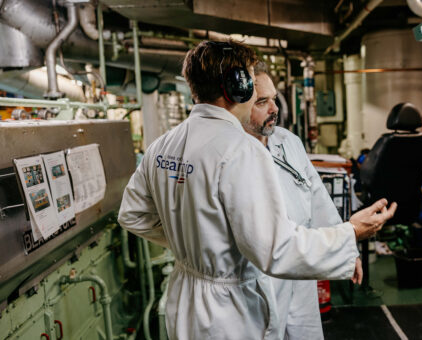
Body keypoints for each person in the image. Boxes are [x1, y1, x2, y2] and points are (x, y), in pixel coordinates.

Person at [118, 40, 397, 340]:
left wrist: (196, 243)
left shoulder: (163, 145)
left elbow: (132, 214)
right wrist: (351, 232)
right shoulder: (239, 149)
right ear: (236, 87)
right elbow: (276, 251)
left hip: (186, 299)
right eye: (250, 82)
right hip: (230, 311)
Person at [243, 61, 357, 339]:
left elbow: (317, 199)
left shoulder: (288, 141)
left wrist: (346, 248)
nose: (274, 109)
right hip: (258, 278)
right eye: (262, 102)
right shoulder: (233, 153)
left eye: (273, 99)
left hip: (299, 273)